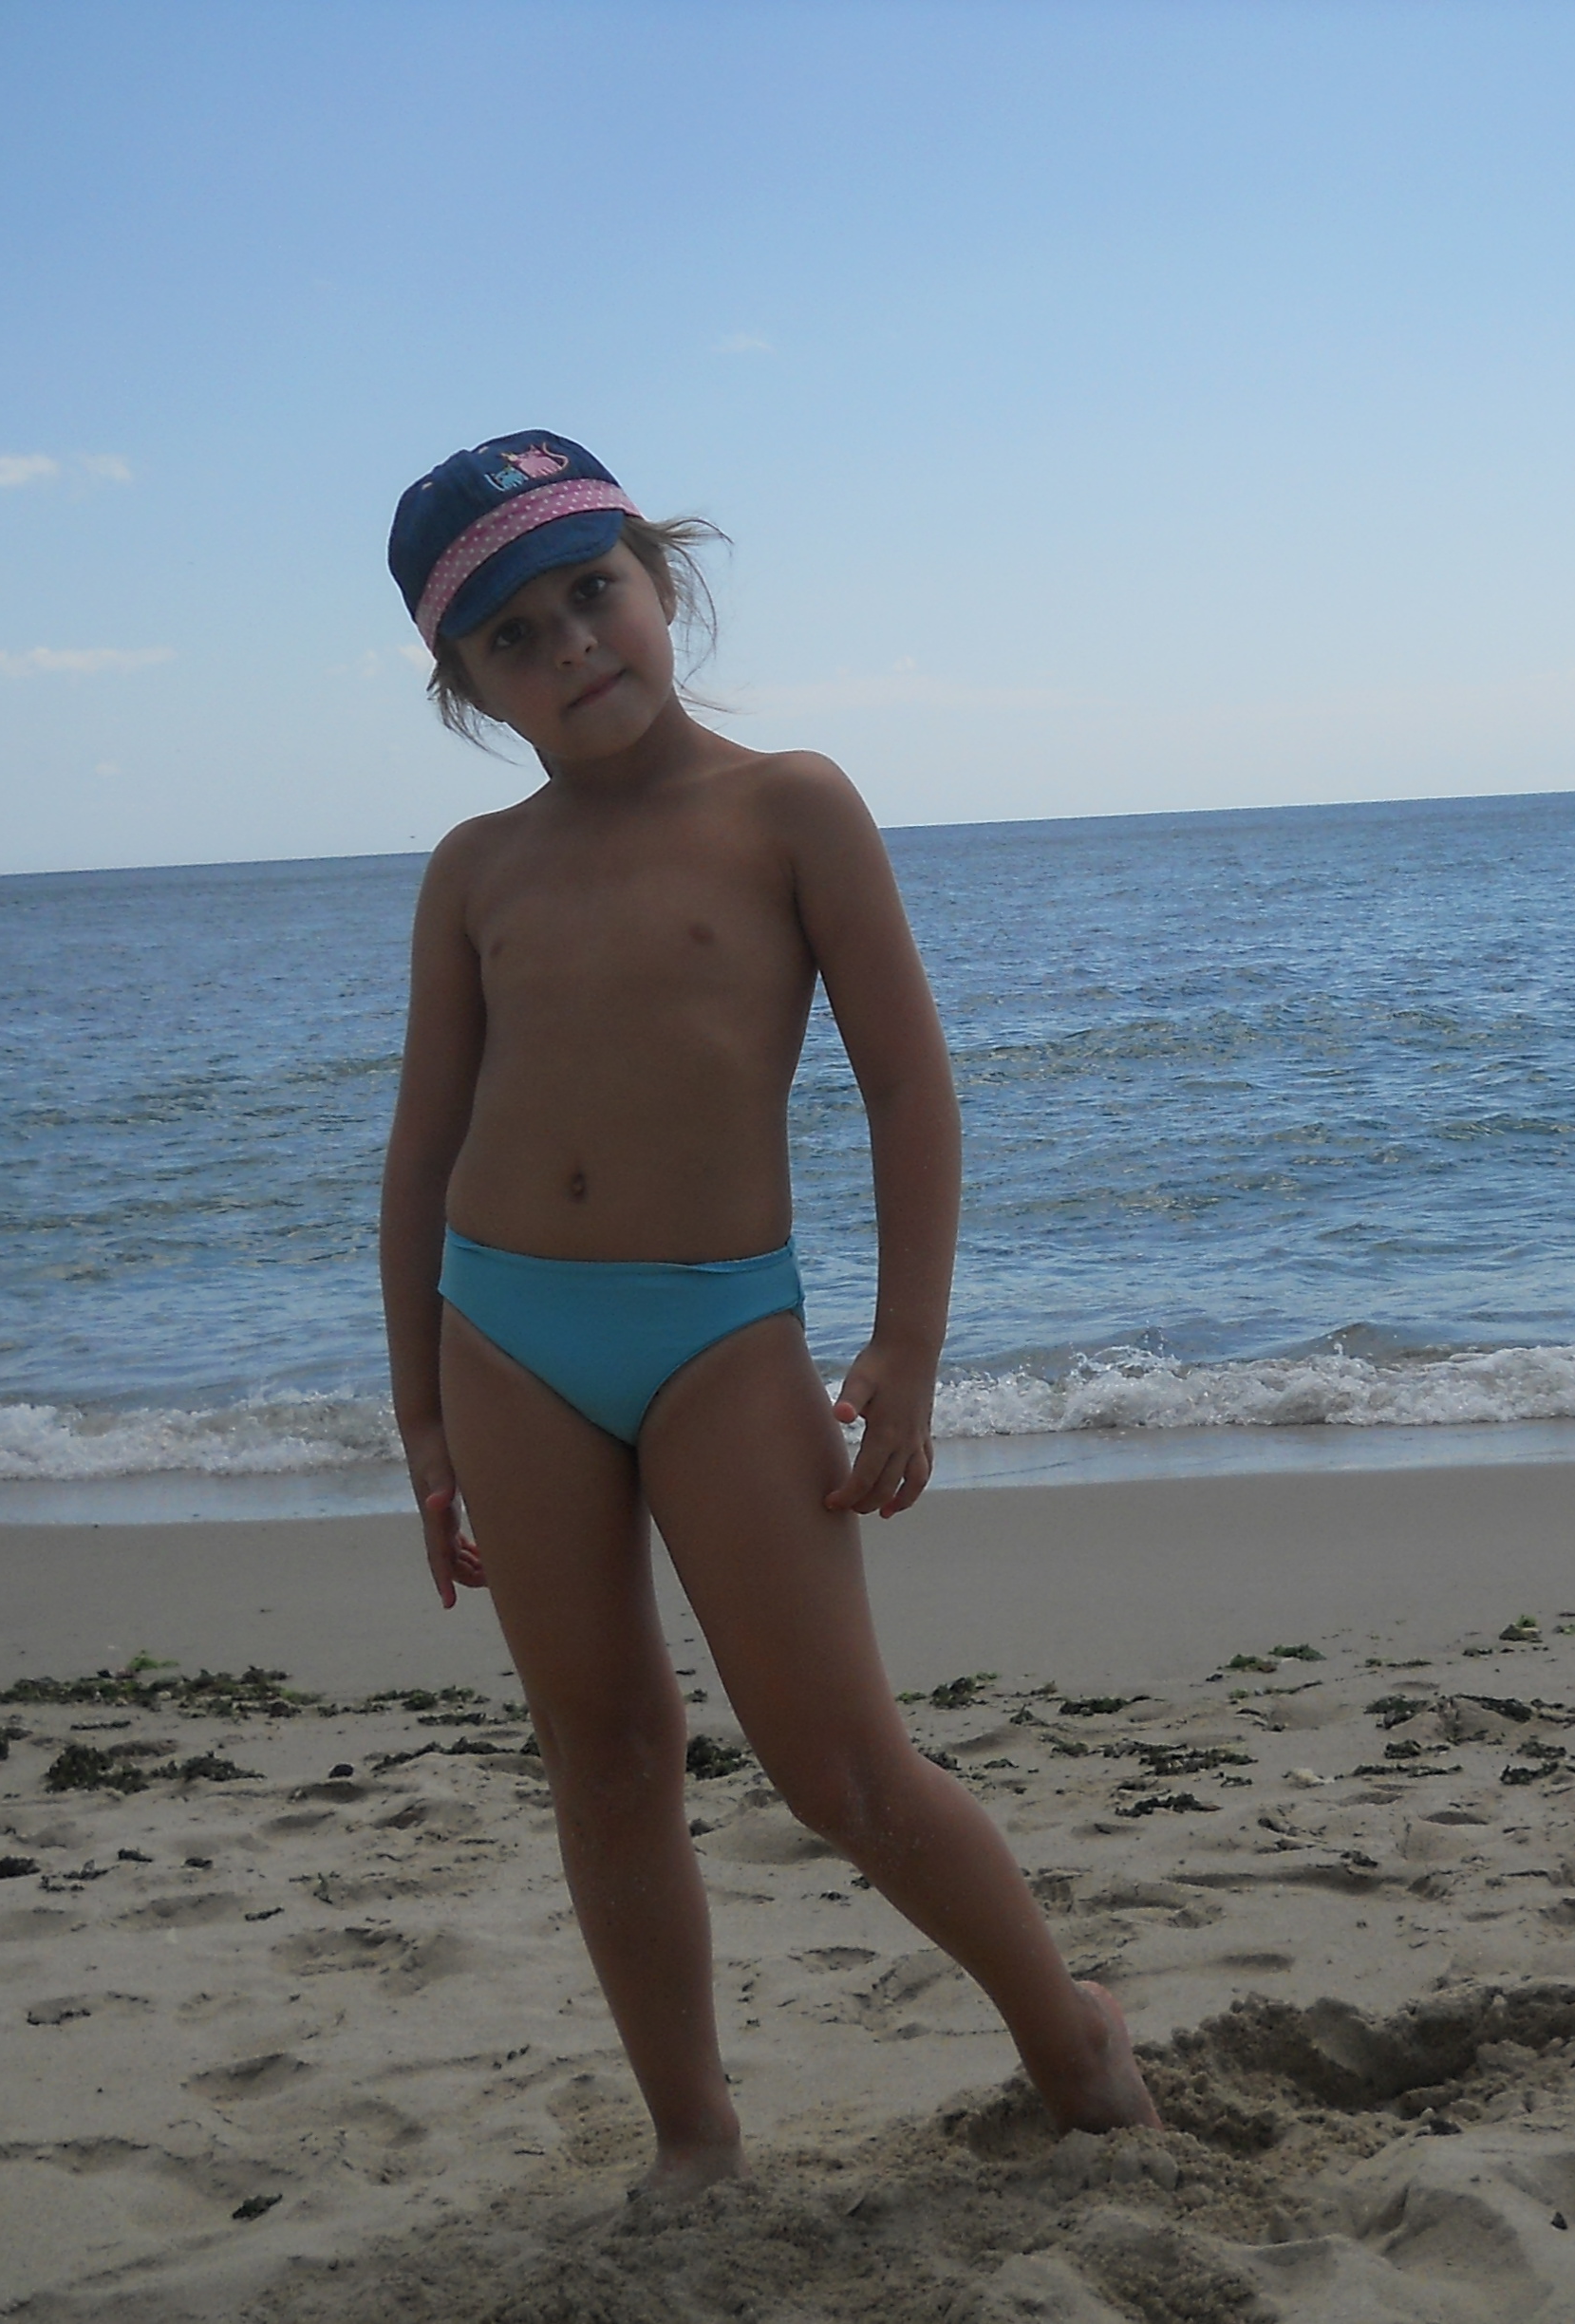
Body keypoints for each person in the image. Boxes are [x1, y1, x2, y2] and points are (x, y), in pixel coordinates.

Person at [376, 431, 1157, 2197]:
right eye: (512, 636)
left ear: (663, 581)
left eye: (594, 592)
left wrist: (911, 1341)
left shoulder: (791, 808)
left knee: (840, 1770)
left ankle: (1070, 2034)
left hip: (722, 1337)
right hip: (504, 1339)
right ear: (468, 687)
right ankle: (694, 2138)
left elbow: (907, 1085)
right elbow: (421, 1153)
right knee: (607, 1756)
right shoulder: (475, 870)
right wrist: (419, 1411)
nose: (572, 645)